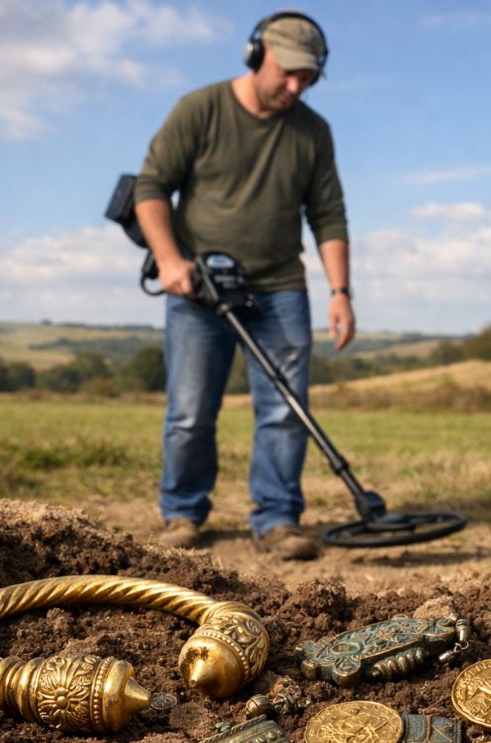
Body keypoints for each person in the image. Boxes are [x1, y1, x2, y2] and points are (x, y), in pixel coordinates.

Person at [133, 10, 353, 559]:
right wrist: (169, 259)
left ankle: (277, 519)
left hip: (280, 288)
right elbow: (151, 187)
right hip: (199, 289)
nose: (296, 87)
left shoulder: (312, 131)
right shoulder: (200, 109)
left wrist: (341, 291)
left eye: (309, 79)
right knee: (189, 410)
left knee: (283, 407)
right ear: (257, 55)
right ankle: (182, 513)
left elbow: (328, 214)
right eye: (288, 73)